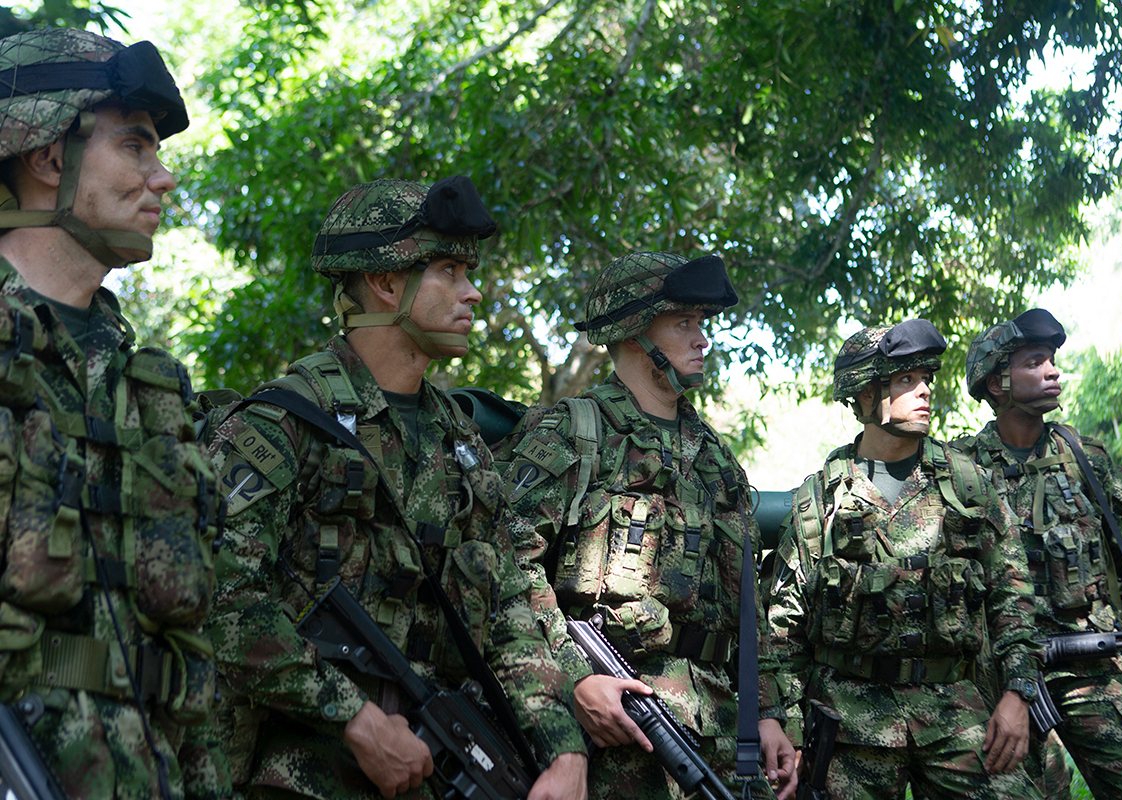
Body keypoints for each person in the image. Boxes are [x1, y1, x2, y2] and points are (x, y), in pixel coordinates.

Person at [203, 177, 588, 800]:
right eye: (449, 271)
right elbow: (221, 596)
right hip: (307, 775)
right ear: (385, 283)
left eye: (468, 273)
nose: (473, 292)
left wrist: (562, 749)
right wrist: (352, 717)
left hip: (444, 769)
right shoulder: (283, 421)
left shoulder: (459, 439)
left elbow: (509, 608)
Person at [0, 28, 229, 800]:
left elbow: (184, 657)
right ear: (48, 156)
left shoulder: (151, 388)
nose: (163, 177)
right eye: (135, 145)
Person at [492, 252, 796, 800]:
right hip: (617, 730)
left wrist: (767, 711)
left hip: (717, 729)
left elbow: (744, 598)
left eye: (702, 323)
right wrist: (575, 677)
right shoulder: (575, 433)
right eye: (683, 323)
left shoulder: (714, 458)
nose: (703, 339)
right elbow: (510, 566)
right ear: (634, 333)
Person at [763, 319, 1041, 799]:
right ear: (865, 394)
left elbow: (1012, 594)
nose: (925, 391)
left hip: (955, 713)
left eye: (927, 379)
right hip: (848, 724)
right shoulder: (820, 501)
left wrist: (1018, 694)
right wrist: (784, 723)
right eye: (906, 380)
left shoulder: (967, 485)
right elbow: (784, 628)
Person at [957, 308, 1122, 799]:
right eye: (1034, 362)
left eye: (1052, 360)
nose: (1052, 371)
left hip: (1092, 664)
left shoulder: (1084, 456)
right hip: (1003, 673)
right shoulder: (962, 468)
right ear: (997, 383)